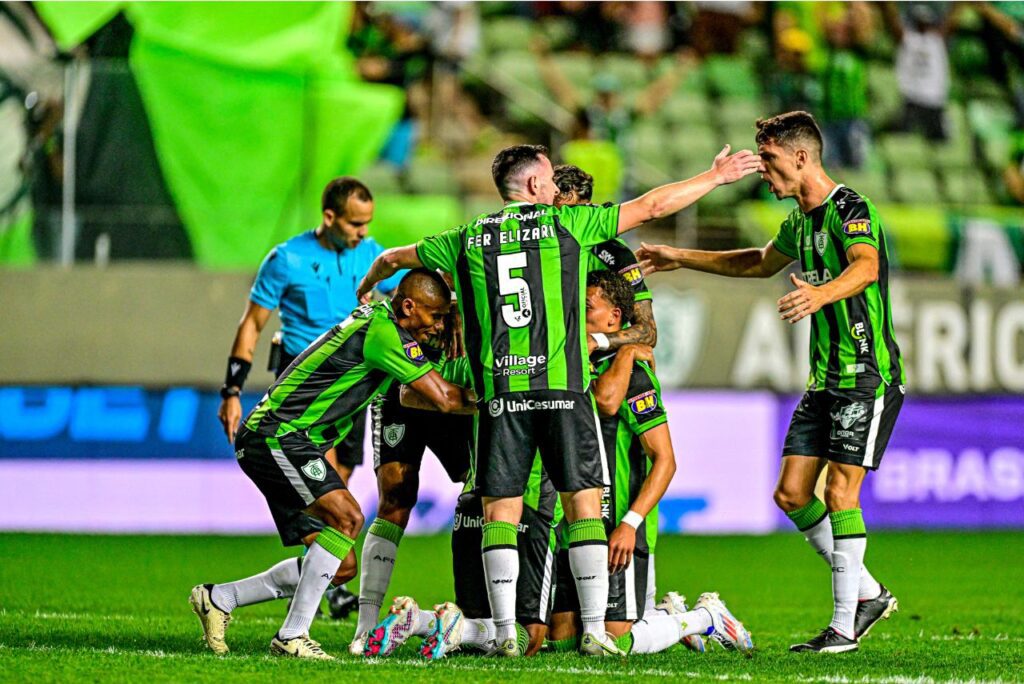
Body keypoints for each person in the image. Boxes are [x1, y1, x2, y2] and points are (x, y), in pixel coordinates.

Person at [356, 142, 760, 656]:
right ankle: (595, 630)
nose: (556, 189)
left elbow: (392, 258)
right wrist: (714, 176)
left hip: (502, 391)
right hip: (564, 390)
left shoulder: (466, 236)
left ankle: (505, 632)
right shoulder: (567, 227)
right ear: (531, 186)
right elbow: (654, 206)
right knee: (584, 504)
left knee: (498, 509)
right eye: (549, 181)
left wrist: (369, 284)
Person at [637, 111, 904, 654]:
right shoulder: (799, 223)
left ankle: (843, 628)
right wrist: (679, 256)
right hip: (825, 379)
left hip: (866, 375)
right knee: (790, 493)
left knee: (839, 492)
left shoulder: (851, 209)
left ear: (802, 157)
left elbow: (866, 267)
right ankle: (869, 592)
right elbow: (758, 263)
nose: (763, 169)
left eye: (771, 159)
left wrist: (821, 293)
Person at [191, 269, 475, 660]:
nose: (440, 325)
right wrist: (506, 400)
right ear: (409, 306)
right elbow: (443, 398)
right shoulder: (385, 334)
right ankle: (292, 636)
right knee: (348, 519)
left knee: (340, 566)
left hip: (291, 439)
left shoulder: (379, 320)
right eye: (436, 316)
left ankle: (221, 597)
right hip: (277, 436)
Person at [216, 177, 400, 617]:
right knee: (328, 480)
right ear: (329, 217)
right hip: (303, 385)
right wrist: (232, 389)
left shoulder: (373, 256)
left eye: (367, 224)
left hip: (351, 387)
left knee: (341, 481)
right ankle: (328, 581)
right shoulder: (287, 259)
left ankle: (323, 572)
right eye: (355, 224)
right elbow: (252, 324)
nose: (362, 233)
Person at [547, 270, 753, 657]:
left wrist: (630, 524)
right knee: (561, 643)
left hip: (617, 524)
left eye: (587, 307)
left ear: (614, 318)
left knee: (610, 643)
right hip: (571, 520)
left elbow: (666, 460)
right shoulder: (568, 361)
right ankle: (663, 614)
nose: (577, 311)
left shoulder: (635, 374)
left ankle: (703, 617)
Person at [349, 313, 476, 655]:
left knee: (482, 488)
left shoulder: (478, 265)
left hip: (457, 382)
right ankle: (365, 627)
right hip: (399, 389)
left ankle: (488, 610)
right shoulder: (426, 264)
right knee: (395, 501)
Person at [552, 163, 656, 352]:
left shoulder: (616, 255)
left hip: (599, 361)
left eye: (577, 212)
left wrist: (595, 341)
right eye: (560, 214)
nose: (570, 221)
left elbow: (647, 332)